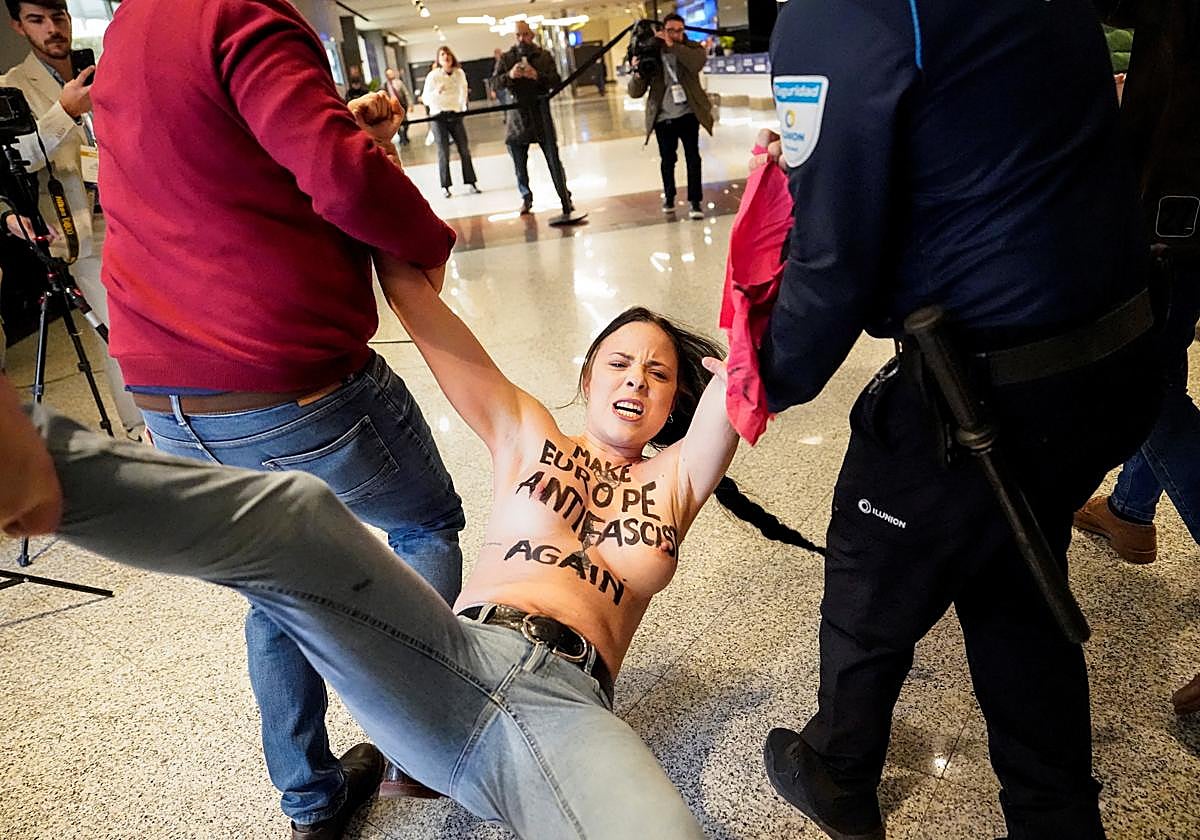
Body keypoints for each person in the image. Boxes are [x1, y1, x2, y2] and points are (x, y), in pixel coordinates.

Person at [35, 290, 783, 839]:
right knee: (295, 516)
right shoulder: (528, 432)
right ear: (588, 375)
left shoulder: (677, 478)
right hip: (448, 656)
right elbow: (425, 311)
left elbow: (751, 355)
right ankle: (34, 466)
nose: (636, 381)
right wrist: (373, 179)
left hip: (570, 708)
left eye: (658, 375)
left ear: (677, 399)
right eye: (621, 363)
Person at [754, 2, 1164, 838]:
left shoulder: (839, 15)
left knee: (874, 546)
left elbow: (833, 265)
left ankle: (839, 766)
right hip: (1120, 352)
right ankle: (1054, 812)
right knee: (1015, 564)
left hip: (991, 387)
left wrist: (753, 386)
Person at [91, 1, 467, 837]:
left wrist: (339, 124)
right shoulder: (238, 12)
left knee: (276, 583)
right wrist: (428, 242)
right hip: (281, 376)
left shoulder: (127, 28)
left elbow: (215, 158)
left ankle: (311, 800)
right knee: (425, 525)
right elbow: (339, 179)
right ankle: (421, 745)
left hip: (164, 390)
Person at [1073, 0, 1200, 718]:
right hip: (1179, 207)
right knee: (1160, 360)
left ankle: (1130, 509)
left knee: (1138, 383)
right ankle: (1130, 508)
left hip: (1177, 201)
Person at [2, 0, 143, 436]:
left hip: (137, 212)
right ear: (18, 27)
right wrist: (64, 111)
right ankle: (142, 429)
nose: (53, 29)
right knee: (121, 332)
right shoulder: (11, 87)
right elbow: (19, 160)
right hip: (83, 230)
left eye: (58, 16)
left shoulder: (100, 71)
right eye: (37, 20)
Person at [627, 15, 713, 220]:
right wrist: (637, 73)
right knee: (668, 160)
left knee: (693, 157)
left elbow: (696, 63)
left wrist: (673, 46)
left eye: (679, 30)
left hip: (688, 113)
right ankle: (669, 196)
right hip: (663, 117)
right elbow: (635, 92)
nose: (675, 34)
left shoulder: (691, 48)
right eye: (671, 30)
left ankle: (695, 202)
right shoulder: (652, 51)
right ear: (662, 29)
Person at [491, 21, 573, 216]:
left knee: (554, 160)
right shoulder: (507, 58)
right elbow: (495, 83)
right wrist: (510, 75)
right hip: (517, 119)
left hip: (540, 115)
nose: (521, 39)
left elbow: (556, 81)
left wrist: (537, 76)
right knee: (519, 164)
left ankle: (564, 197)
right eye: (518, 35)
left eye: (525, 34)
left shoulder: (544, 56)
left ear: (532, 35)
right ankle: (526, 198)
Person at [421, 46, 479, 198]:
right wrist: (437, 91)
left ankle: (471, 182)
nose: (446, 57)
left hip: (455, 114)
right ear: (438, 59)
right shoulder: (433, 76)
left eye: (448, 54)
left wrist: (462, 107)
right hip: (438, 116)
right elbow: (425, 98)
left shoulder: (459, 73)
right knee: (443, 151)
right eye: (442, 55)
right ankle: (445, 186)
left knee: (464, 150)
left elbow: (464, 91)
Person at [382, 67, 412, 146]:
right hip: (392, 108)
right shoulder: (385, 85)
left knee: (406, 122)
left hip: (401, 105)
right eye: (389, 74)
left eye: (391, 73)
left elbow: (406, 93)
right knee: (397, 123)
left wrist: (410, 104)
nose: (391, 75)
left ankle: (405, 135)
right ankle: (401, 138)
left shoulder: (399, 83)